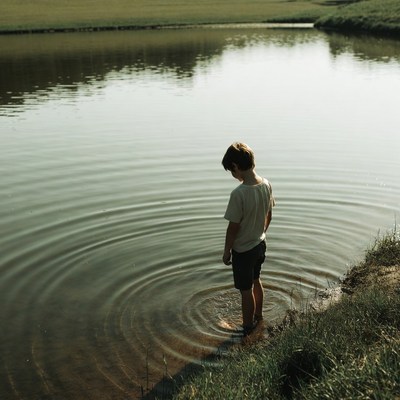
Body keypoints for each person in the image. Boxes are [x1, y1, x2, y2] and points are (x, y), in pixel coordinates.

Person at [221, 142, 275, 337]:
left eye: (232, 172)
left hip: (243, 250)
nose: (233, 176)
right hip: (260, 244)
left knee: (245, 290)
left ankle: (247, 327)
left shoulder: (239, 194)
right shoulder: (266, 184)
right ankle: (259, 317)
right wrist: (261, 232)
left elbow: (233, 227)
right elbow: (269, 214)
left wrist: (227, 251)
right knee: (256, 280)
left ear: (235, 166)